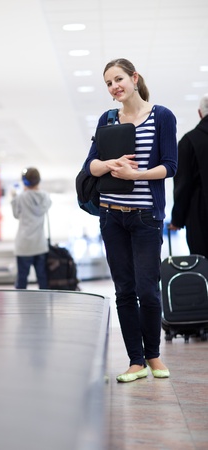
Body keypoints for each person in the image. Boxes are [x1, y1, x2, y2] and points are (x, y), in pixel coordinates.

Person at [84, 58, 177, 382]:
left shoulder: (162, 116)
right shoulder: (108, 119)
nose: (114, 87)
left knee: (147, 290)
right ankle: (135, 361)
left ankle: (153, 355)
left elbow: (169, 166)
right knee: (124, 290)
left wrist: (136, 173)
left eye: (118, 79)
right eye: (108, 83)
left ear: (134, 78)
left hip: (145, 217)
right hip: (111, 217)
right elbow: (90, 167)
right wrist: (110, 163)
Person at [169, 94, 208, 257]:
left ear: (200, 113)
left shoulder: (189, 141)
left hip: (201, 216)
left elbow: (183, 184)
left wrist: (177, 219)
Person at [11, 167, 52, 289]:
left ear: (24, 182)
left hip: (23, 245)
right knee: (43, 278)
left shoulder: (21, 197)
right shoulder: (45, 197)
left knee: (22, 279)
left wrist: (14, 197)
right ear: (38, 180)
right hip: (40, 244)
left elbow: (16, 215)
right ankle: (44, 305)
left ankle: (21, 306)